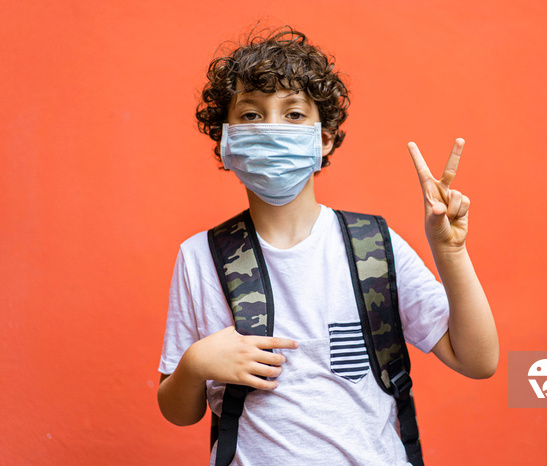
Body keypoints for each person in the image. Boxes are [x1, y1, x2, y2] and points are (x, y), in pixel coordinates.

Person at [157, 26, 498, 465]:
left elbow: (478, 360)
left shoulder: (373, 247)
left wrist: (450, 253)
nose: (272, 128)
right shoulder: (199, 257)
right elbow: (178, 411)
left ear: (324, 138)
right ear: (226, 140)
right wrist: (197, 363)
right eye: (251, 115)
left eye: (294, 114)